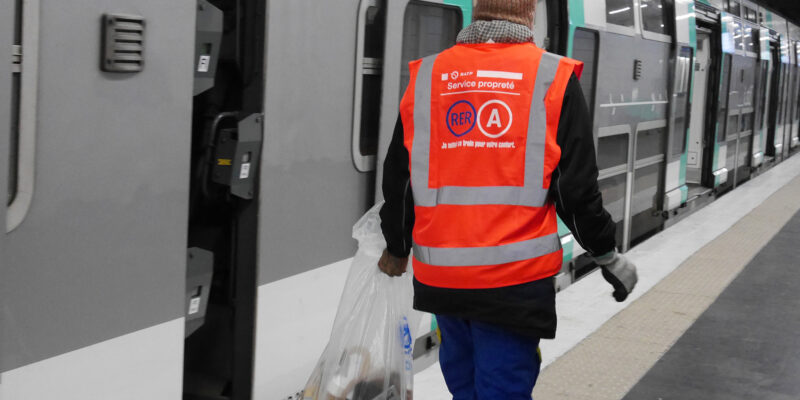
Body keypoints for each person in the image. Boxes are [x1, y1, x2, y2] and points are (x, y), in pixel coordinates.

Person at [378, 0, 638, 398]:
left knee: (464, 389)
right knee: (502, 390)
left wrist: (396, 246)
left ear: (478, 13)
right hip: (513, 284)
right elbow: (575, 190)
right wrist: (607, 255)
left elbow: (401, 177)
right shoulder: (552, 76)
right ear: (529, 15)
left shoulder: (429, 75)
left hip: (443, 280)